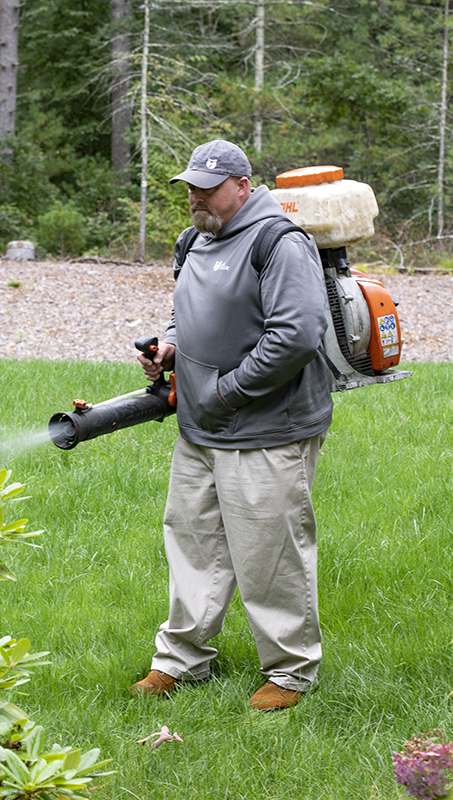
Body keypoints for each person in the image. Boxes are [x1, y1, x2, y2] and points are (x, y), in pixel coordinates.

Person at [130, 139, 333, 711]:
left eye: (208, 187)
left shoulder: (279, 241)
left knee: (268, 548)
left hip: (267, 426)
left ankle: (291, 671)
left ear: (243, 186)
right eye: (191, 186)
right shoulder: (195, 239)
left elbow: (296, 334)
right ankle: (182, 660)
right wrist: (168, 346)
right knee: (192, 541)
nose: (196, 197)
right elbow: (185, 309)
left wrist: (227, 392)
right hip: (200, 424)